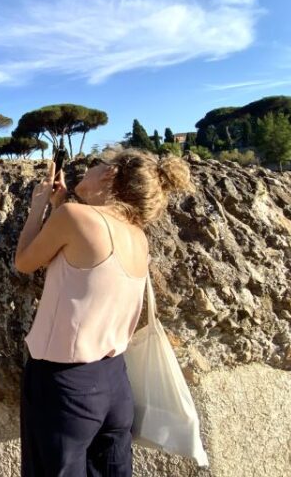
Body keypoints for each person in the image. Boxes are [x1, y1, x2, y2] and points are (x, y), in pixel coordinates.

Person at [14, 147, 192, 477]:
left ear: (110, 175)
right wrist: (60, 205)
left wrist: (39, 207)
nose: (90, 170)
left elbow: (24, 262)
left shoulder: (73, 218)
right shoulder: (138, 236)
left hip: (64, 385)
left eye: (98, 166)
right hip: (115, 385)